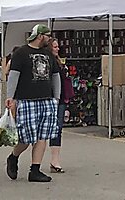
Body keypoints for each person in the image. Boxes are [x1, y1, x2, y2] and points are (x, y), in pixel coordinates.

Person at [4, 24, 60, 183]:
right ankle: (13, 157)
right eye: (48, 36)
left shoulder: (48, 55)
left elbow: (55, 75)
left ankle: (35, 170)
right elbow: (13, 75)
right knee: (26, 138)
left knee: (43, 136)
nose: (49, 39)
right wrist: (10, 97)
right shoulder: (21, 53)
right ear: (40, 36)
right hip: (26, 101)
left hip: (46, 100)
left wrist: (56, 97)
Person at [49, 39, 74, 173]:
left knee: (57, 129)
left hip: (61, 99)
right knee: (45, 130)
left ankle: (55, 160)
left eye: (58, 46)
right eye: (55, 47)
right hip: (49, 98)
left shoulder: (60, 61)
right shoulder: (47, 62)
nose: (58, 49)